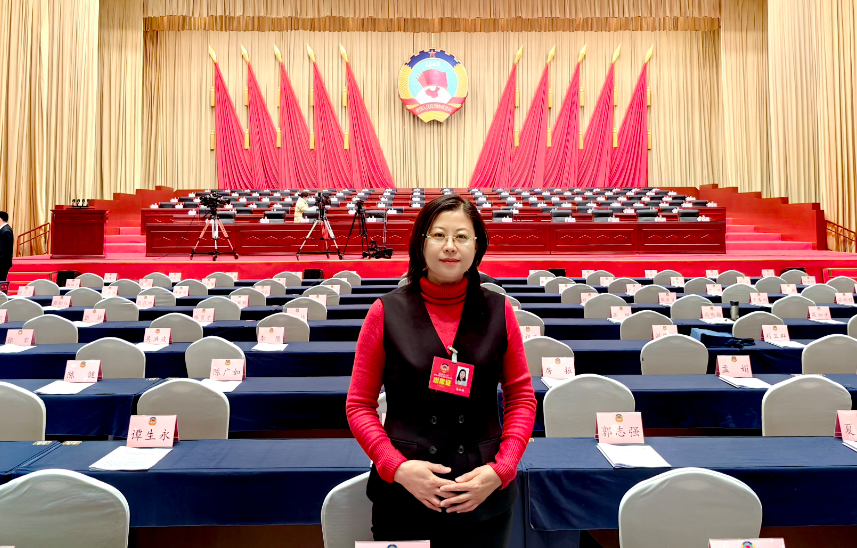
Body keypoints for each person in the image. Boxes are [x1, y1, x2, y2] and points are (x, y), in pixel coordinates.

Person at [346, 195, 536, 548]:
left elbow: (522, 398)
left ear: (477, 245)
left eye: (461, 236)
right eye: (438, 235)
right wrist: (396, 466)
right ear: (421, 243)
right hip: (403, 496)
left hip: (483, 496)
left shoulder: (499, 310)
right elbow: (359, 405)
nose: (450, 246)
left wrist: (503, 468)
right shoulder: (385, 311)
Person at [0, 212, 13, 281]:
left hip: (2, 262)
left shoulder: (6, 231)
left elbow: (4, 249)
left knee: (1, 281)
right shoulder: (3, 229)